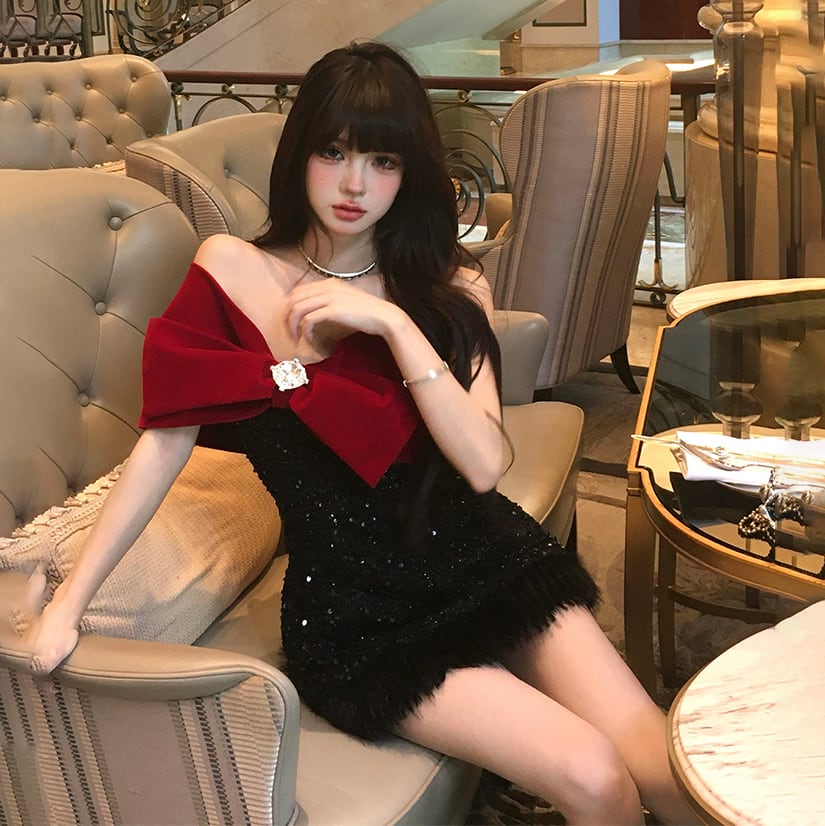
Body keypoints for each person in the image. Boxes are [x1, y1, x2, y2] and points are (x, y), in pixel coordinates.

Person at [17, 42, 695, 825]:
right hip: (363, 619)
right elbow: (163, 444)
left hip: (483, 555)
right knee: (597, 779)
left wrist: (395, 328)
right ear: (299, 154)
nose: (353, 184)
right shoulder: (229, 268)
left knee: (664, 768)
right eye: (333, 153)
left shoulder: (449, 283)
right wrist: (69, 604)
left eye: (382, 161)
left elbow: (483, 465)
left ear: (409, 173)